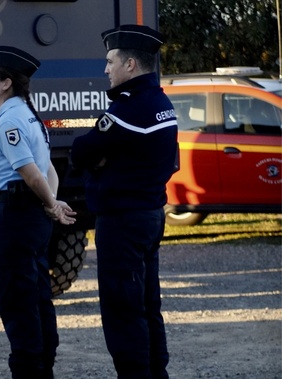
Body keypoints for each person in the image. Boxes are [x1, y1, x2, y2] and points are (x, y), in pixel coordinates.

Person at [71, 25, 177, 378]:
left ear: (130, 65)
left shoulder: (127, 111)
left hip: (122, 222)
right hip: (148, 215)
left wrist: (100, 166)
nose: (106, 69)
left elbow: (81, 151)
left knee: (123, 310)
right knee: (147, 305)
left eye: (110, 62)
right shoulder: (161, 103)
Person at [0, 45, 76, 379]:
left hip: (15, 216)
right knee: (36, 297)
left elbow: (33, 174)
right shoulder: (30, 114)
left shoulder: (11, 118)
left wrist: (51, 204)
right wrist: (53, 201)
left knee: (17, 302)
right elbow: (49, 171)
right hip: (30, 215)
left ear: (6, 83)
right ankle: (43, 367)